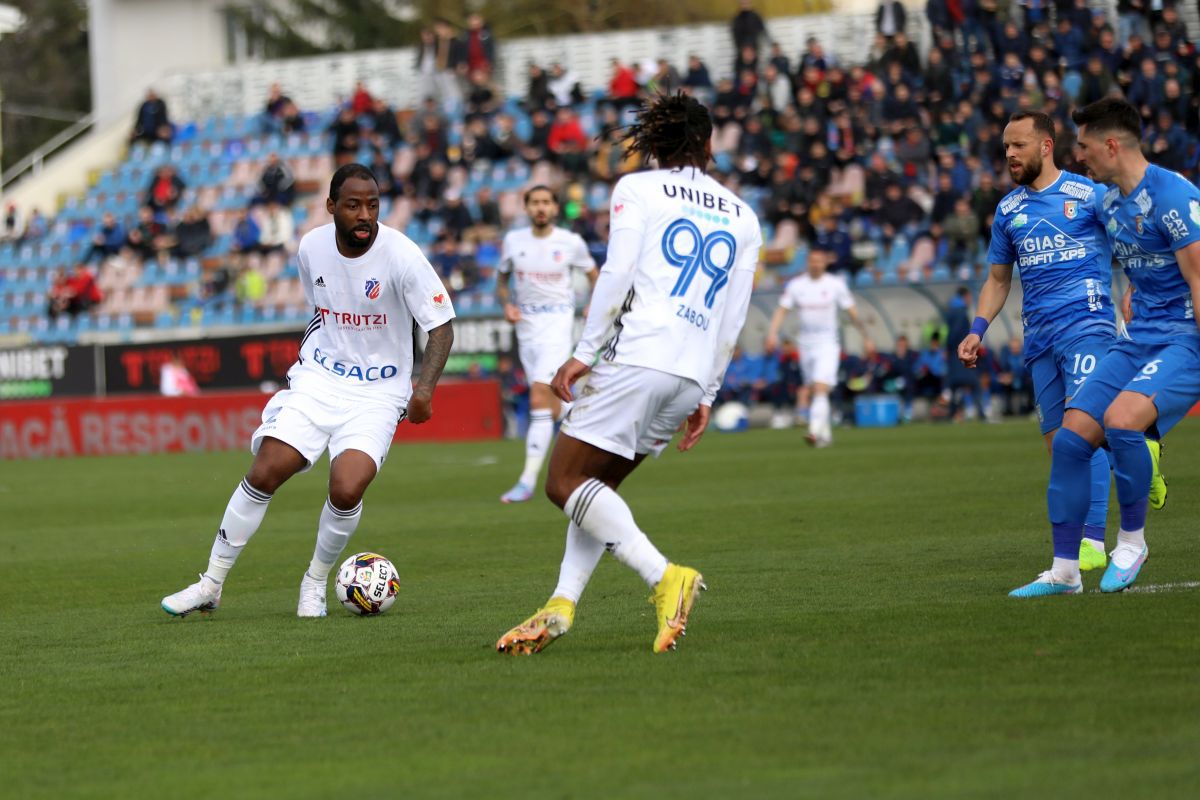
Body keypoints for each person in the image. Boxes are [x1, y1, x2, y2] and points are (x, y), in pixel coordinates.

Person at [495, 93, 761, 655]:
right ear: (710, 145)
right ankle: (562, 604)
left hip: (637, 355)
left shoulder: (638, 188)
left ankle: (667, 577)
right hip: (688, 373)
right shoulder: (744, 216)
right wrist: (707, 392)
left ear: (656, 144)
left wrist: (584, 351)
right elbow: (733, 317)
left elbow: (616, 274)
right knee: (597, 487)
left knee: (563, 482)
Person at [161, 164, 456, 618]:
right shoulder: (311, 247)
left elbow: (441, 327)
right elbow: (321, 312)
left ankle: (315, 582)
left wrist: (425, 389)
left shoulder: (402, 256)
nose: (365, 215)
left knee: (347, 486)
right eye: (354, 205)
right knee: (267, 468)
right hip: (320, 379)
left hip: (378, 392)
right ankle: (210, 584)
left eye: (373, 205)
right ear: (332, 207)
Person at [1008, 97, 1199, 597]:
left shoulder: (1174, 195)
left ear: (1111, 145)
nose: (1079, 155)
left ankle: (1132, 543)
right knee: (1071, 443)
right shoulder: (1109, 201)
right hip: (1136, 339)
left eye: (1085, 145)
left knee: (1121, 421)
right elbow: (1141, 261)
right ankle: (1065, 572)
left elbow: (1198, 278)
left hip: (1184, 337)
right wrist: (1136, 289)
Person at [959, 112, 1131, 575]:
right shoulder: (1008, 211)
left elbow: (1132, 239)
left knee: (1080, 433)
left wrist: (1136, 288)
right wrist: (978, 329)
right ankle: (1138, 452)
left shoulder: (1088, 195)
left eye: (1018, 145)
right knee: (1060, 446)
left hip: (1088, 322)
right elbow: (998, 280)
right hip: (1039, 337)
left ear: (1046, 146)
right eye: (1006, 147)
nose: (1010, 154)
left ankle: (1092, 543)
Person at [496, 185, 598, 504]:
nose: (541, 208)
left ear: (555, 208)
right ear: (527, 208)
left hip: (557, 323)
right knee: (556, 400)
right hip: (527, 326)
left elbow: (596, 275)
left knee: (540, 395)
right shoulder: (514, 242)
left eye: (546, 202)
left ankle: (527, 481)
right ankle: (592, 421)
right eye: (535, 203)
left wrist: (593, 305)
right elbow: (501, 280)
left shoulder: (570, 243)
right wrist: (506, 305)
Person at [764, 245, 872, 447]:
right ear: (808, 262)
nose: (815, 264)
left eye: (819, 261)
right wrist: (772, 334)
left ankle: (813, 430)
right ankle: (826, 436)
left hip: (828, 343)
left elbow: (852, 312)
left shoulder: (835, 284)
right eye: (812, 261)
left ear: (825, 263)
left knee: (821, 388)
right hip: (805, 344)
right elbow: (782, 310)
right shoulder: (796, 286)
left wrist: (866, 336)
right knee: (815, 390)